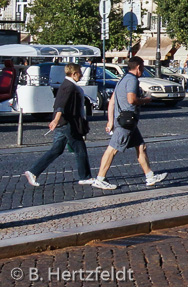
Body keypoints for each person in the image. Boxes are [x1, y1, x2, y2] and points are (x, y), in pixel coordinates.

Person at [92, 56, 167, 190]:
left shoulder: (122, 80)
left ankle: (150, 176)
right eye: (143, 67)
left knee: (141, 146)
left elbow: (112, 102)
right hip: (126, 122)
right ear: (138, 67)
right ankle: (100, 178)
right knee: (112, 149)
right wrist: (146, 100)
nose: (143, 70)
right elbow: (131, 100)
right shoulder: (132, 80)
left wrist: (110, 121)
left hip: (125, 121)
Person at [23, 63, 95, 187]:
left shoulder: (68, 85)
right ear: (74, 74)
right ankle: (85, 177)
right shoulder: (69, 86)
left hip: (64, 123)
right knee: (80, 149)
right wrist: (56, 120)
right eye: (80, 72)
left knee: (57, 149)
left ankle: (33, 171)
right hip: (68, 123)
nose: (81, 75)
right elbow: (60, 105)